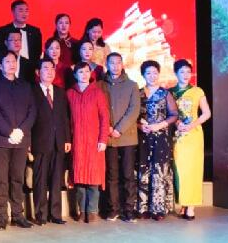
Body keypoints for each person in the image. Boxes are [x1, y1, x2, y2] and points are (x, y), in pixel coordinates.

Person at [0, 51, 36, 230]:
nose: (12, 64)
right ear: (0, 65)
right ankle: (1, 216)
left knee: (17, 178)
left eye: (14, 61)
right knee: (1, 179)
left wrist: (21, 131)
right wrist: (9, 132)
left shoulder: (25, 85)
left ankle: (18, 214)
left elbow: (32, 111)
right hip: (1, 139)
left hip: (21, 139)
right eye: (7, 61)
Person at [67, 62, 109, 223]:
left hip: (94, 141)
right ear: (75, 75)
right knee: (79, 177)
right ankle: (82, 210)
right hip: (77, 141)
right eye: (80, 72)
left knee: (93, 176)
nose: (84, 75)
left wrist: (103, 139)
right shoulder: (70, 93)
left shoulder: (97, 93)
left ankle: (92, 210)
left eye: (86, 72)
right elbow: (66, 119)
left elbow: (104, 118)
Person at [31, 58, 71, 226]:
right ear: (38, 72)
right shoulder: (32, 91)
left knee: (56, 179)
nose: (49, 71)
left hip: (59, 141)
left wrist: (67, 138)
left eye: (52, 68)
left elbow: (65, 117)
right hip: (40, 141)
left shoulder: (60, 92)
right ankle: (41, 214)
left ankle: (55, 214)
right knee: (40, 179)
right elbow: (30, 118)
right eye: (45, 68)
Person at [137, 60, 178, 221]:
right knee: (143, 170)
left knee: (159, 171)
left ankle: (158, 209)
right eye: (148, 73)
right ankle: (143, 207)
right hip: (143, 137)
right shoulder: (138, 93)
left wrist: (159, 125)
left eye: (155, 73)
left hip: (161, 137)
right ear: (143, 75)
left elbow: (174, 115)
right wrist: (140, 126)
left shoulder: (165, 93)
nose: (152, 76)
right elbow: (133, 116)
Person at [171, 59, 211, 220]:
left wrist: (192, 125)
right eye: (182, 72)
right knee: (180, 170)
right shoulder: (170, 92)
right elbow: (169, 114)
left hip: (194, 135)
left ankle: (191, 207)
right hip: (177, 136)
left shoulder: (197, 91)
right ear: (175, 73)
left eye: (188, 72)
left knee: (193, 169)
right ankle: (184, 203)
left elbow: (206, 113)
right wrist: (177, 123)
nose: (186, 75)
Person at [103, 52, 141, 222]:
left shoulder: (132, 85)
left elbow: (134, 110)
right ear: (107, 65)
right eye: (112, 63)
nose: (115, 66)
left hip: (127, 136)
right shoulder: (100, 85)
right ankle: (113, 209)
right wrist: (108, 127)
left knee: (128, 174)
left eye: (118, 62)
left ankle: (129, 210)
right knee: (112, 175)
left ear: (122, 64)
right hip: (109, 136)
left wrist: (119, 129)